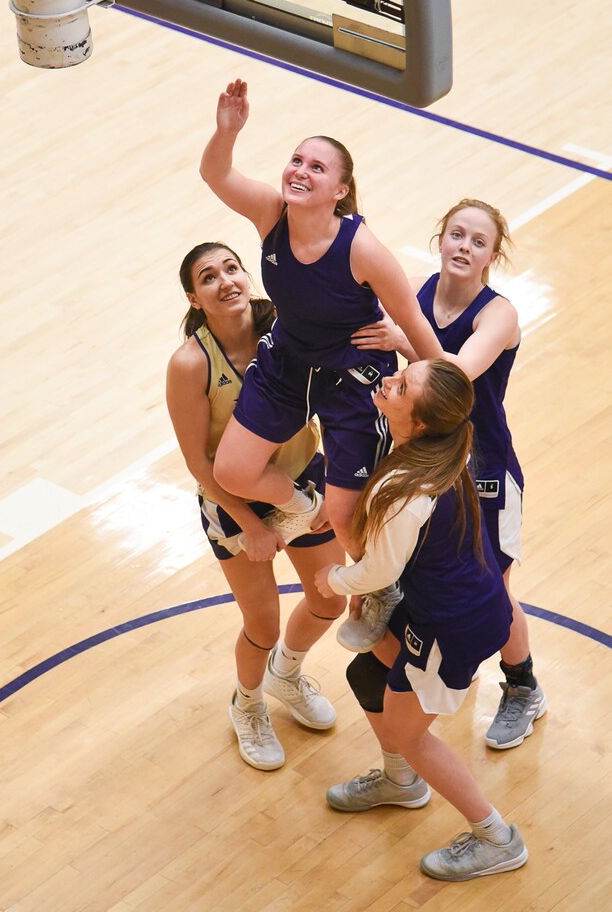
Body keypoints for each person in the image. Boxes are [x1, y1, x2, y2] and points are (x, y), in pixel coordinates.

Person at [199, 79, 444, 647]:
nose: (300, 171)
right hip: (286, 362)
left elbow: (413, 322)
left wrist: (448, 388)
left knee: (347, 518)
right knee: (233, 472)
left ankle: (376, 587)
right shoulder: (270, 214)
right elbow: (216, 175)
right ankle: (301, 504)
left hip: (352, 380)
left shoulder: (363, 249)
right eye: (295, 160)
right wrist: (227, 131)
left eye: (316, 166)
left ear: (341, 189)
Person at [315, 358, 528, 882]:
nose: (388, 381)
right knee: (365, 672)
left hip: (450, 625)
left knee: (412, 733)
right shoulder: (437, 448)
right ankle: (399, 781)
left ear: (423, 420)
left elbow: (380, 567)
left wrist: (334, 581)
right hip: (453, 604)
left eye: (401, 385)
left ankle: (495, 837)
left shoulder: (411, 491)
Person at [353, 198, 546, 749]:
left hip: (483, 470)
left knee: (495, 590)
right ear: (440, 239)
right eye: (456, 234)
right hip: (425, 466)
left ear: (492, 255)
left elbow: (453, 374)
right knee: (427, 572)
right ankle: (433, 670)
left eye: (478, 241)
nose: (464, 246)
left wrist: (401, 340)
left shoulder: (498, 313)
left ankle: (524, 687)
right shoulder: (412, 288)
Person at [166, 241, 346, 772]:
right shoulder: (190, 363)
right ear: (194, 298)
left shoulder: (285, 330)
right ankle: (246, 705)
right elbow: (201, 465)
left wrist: (335, 478)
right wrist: (251, 524)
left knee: (329, 600)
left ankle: (285, 675)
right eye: (207, 277)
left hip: (305, 481)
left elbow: (336, 402)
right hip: (235, 505)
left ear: (247, 274)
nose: (224, 281)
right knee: (262, 626)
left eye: (231, 267)